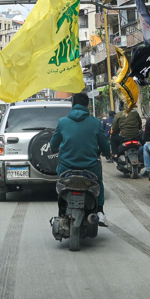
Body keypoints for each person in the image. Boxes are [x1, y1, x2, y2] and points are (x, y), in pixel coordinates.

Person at [49, 92, 112, 225]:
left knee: (60, 184)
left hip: (66, 168)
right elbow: (105, 145)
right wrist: (107, 153)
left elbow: (53, 145)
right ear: (87, 105)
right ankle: (100, 211)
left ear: (72, 105)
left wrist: (55, 149)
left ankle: (61, 211)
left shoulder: (62, 122)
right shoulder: (95, 122)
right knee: (99, 182)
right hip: (90, 168)